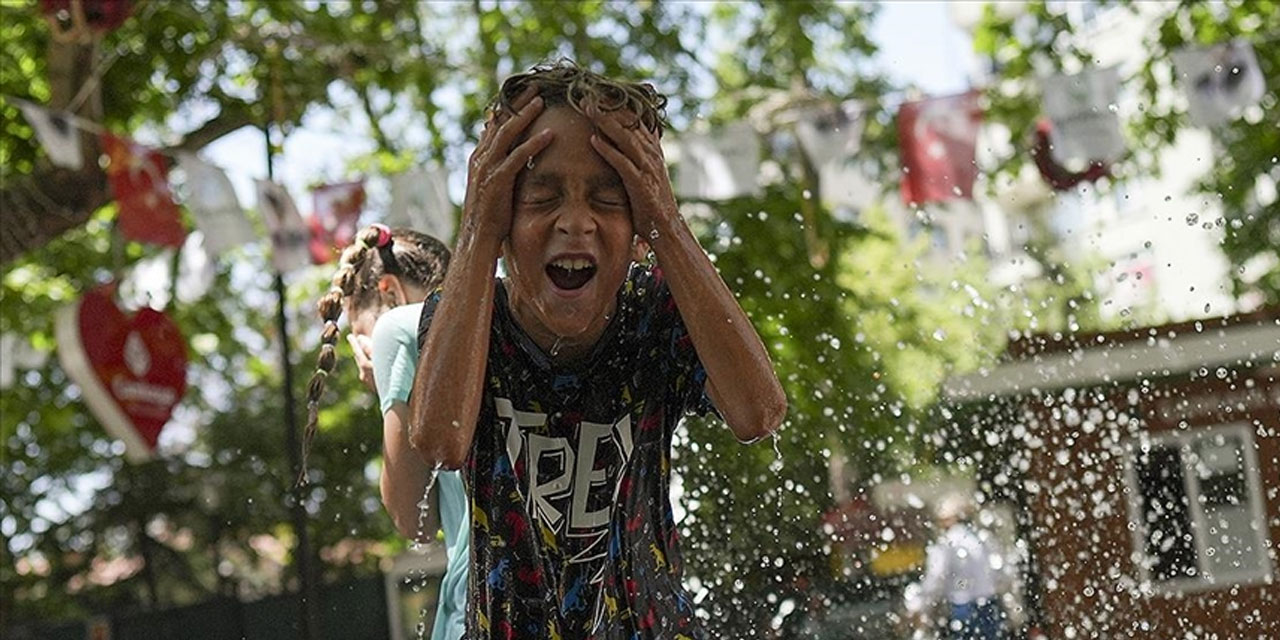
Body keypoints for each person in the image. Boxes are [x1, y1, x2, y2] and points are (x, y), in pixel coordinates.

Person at [407, 59, 787, 639]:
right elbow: (440, 442)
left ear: (638, 233)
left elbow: (759, 412)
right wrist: (476, 231)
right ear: (503, 215)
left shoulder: (656, 313)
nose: (575, 222)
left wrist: (667, 222)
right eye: (540, 197)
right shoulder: (468, 318)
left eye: (609, 199)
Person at [302, 223, 467, 640]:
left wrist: (389, 388)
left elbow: (414, 523)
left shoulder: (400, 329)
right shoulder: (485, 323)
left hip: (479, 609)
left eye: (360, 335)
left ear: (390, 293)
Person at [905, 494, 1008, 640]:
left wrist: (920, 605)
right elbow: (998, 573)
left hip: (963, 607)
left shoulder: (948, 543)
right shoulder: (982, 538)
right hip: (990, 606)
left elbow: (936, 578)